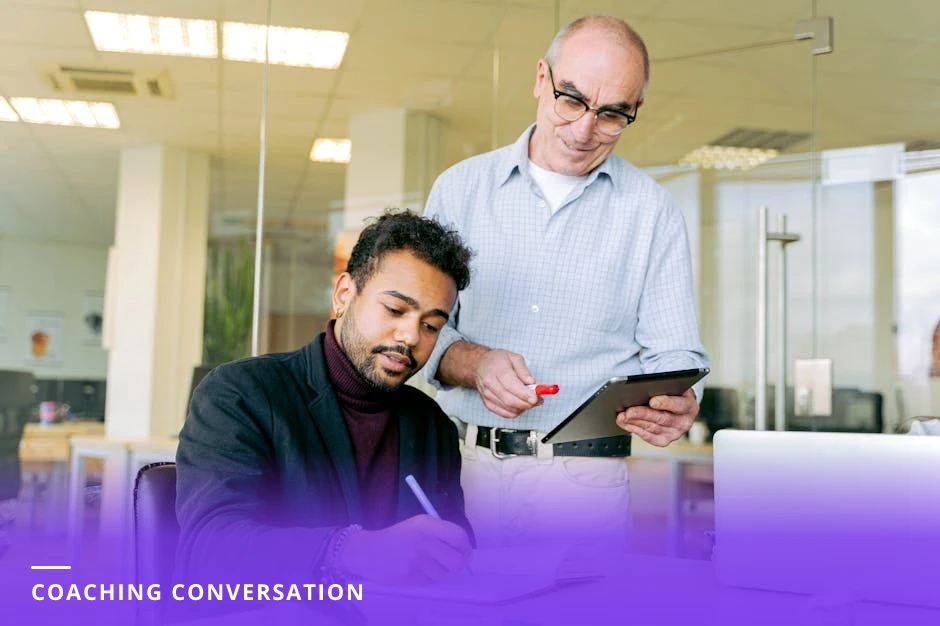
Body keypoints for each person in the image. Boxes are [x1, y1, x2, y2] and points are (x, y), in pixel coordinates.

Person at [423, 15, 709, 548]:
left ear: (635, 111)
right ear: (540, 78)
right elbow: (423, 334)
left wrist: (680, 400)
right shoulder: (459, 191)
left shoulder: (653, 213)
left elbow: (675, 356)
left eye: (611, 114)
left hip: (586, 489)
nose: (583, 131)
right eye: (571, 100)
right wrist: (477, 363)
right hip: (463, 472)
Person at [175, 211, 476, 591]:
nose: (410, 336)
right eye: (395, 309)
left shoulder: (431, 424)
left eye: (431, 325)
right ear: (344, 294)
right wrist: (350, 551)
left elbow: (453, 549)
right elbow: (211, 547)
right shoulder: (242, 393)